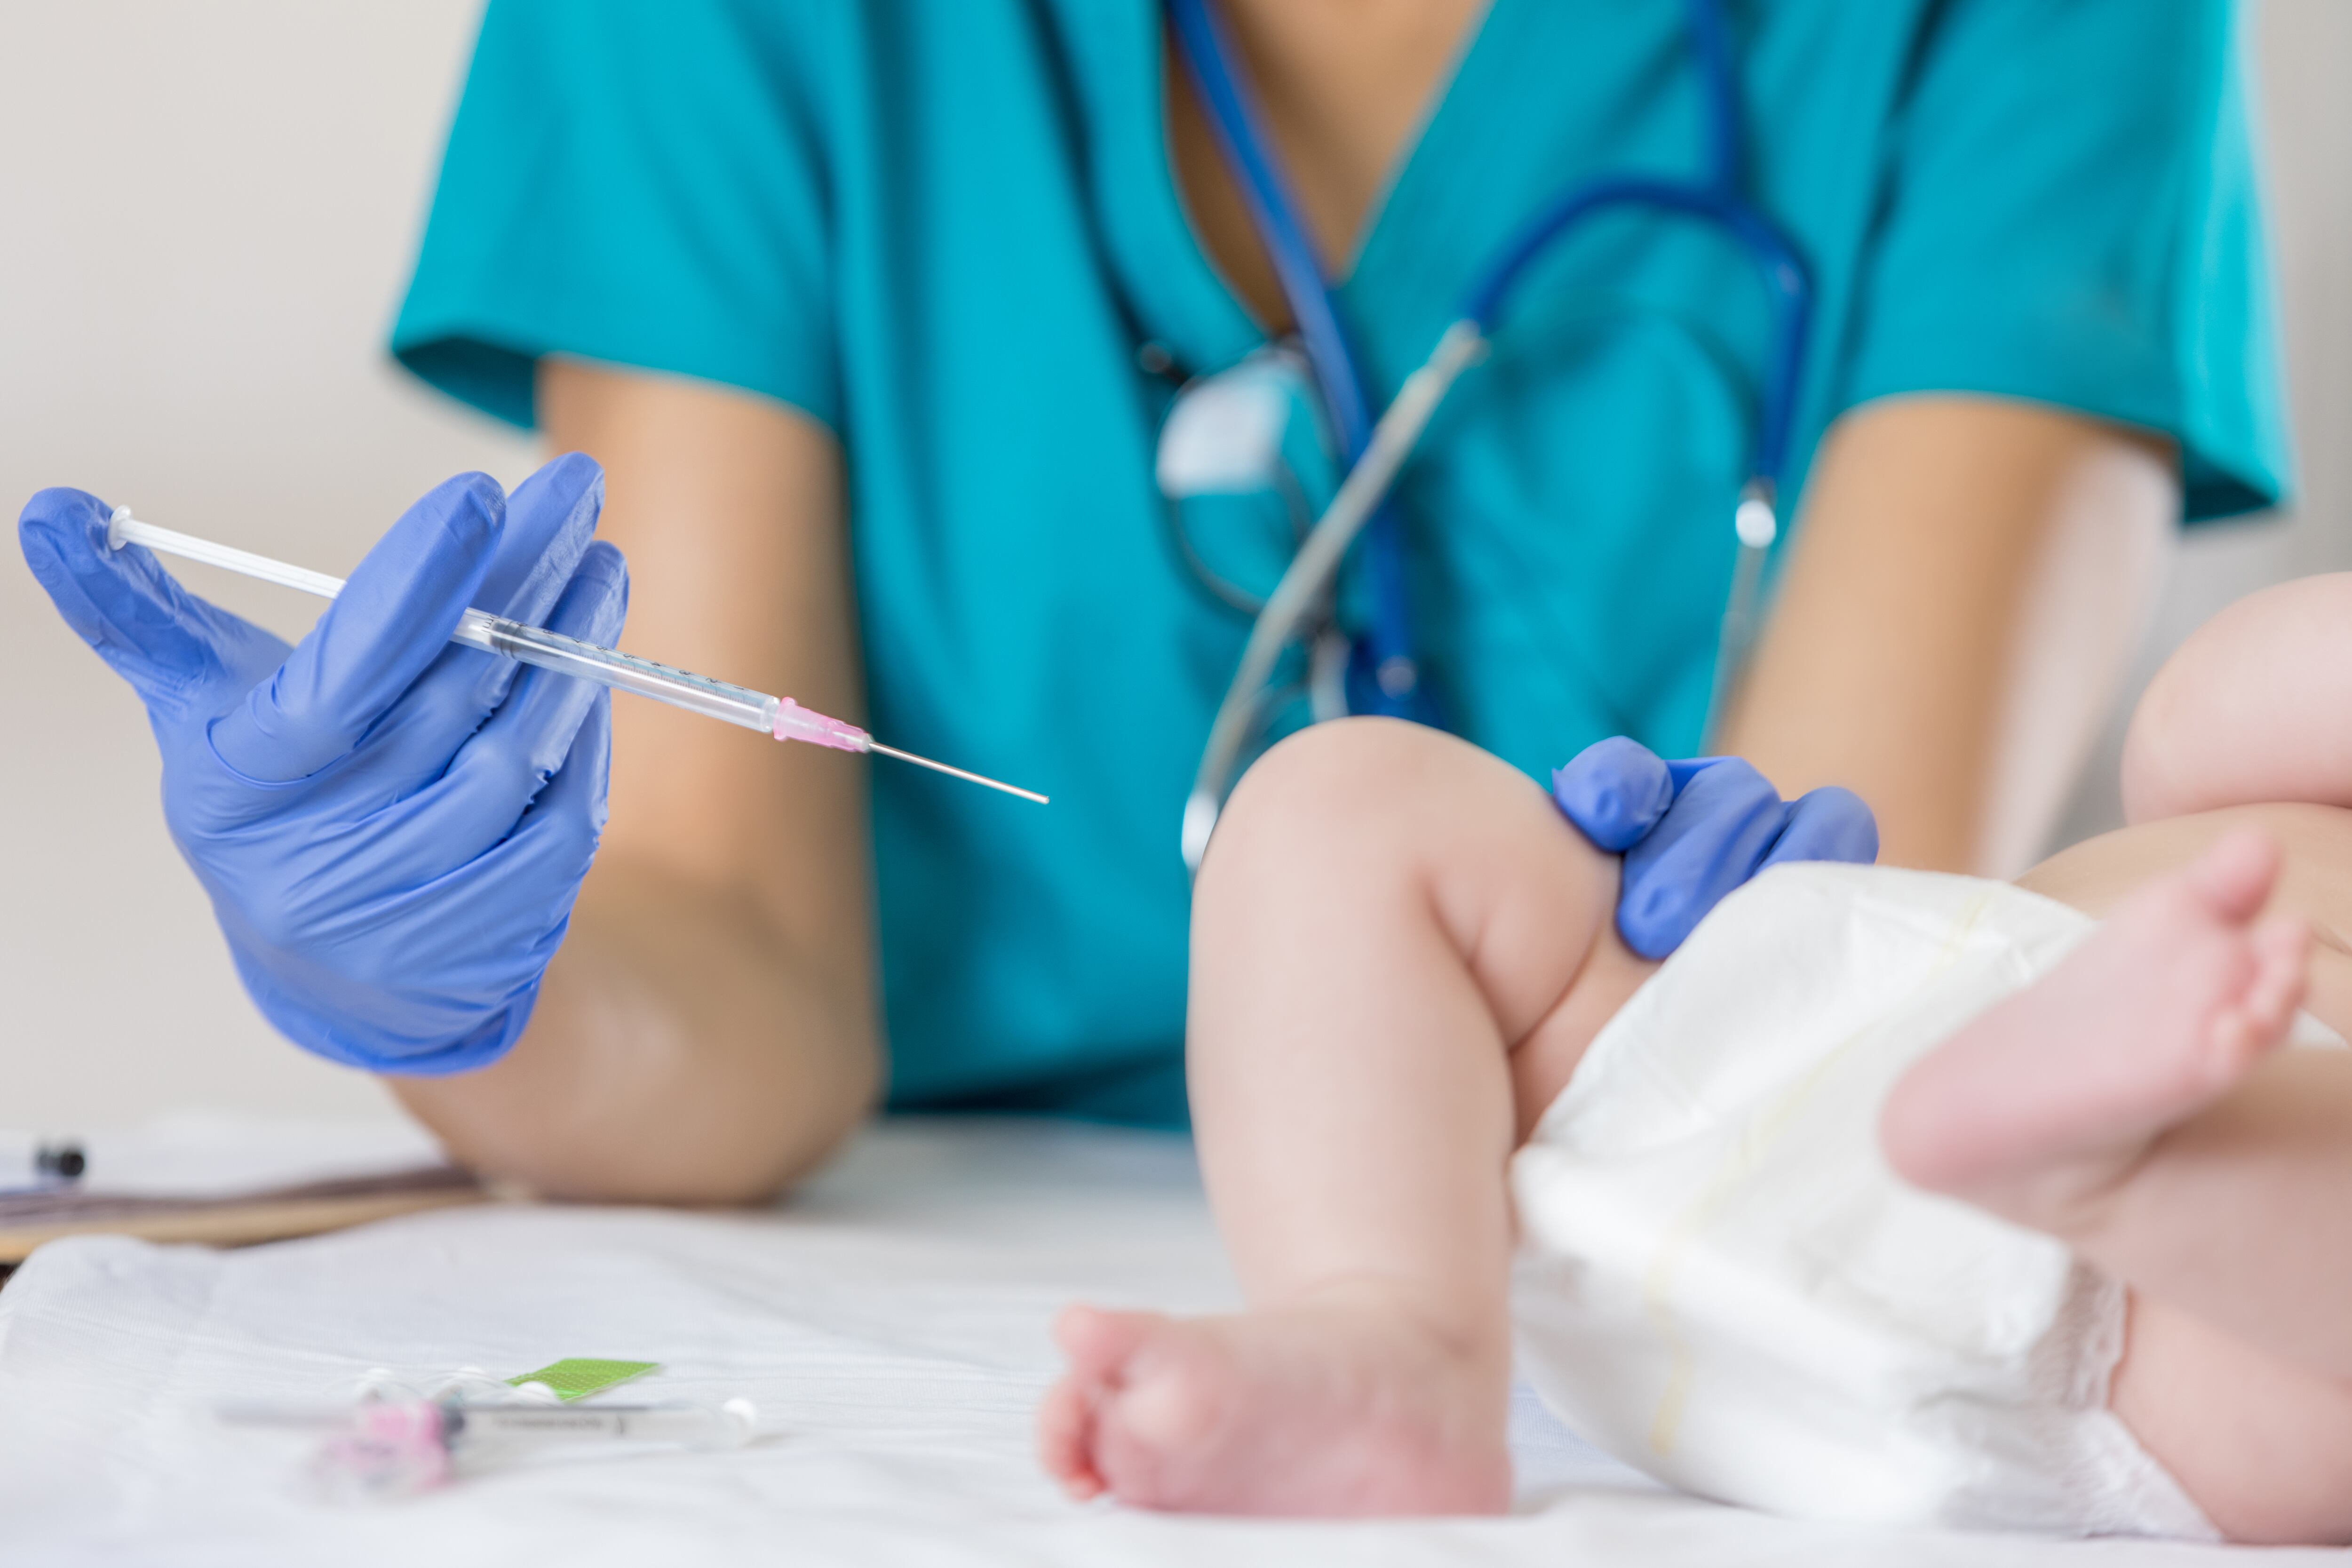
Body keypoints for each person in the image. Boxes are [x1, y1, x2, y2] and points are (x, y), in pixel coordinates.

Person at [24, 0, 2288, 1203]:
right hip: (903, 1270)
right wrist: (442, 977)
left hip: (1609, 1264)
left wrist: (1805, 1002)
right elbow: (737, 1003)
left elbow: (1809, 1041)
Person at [1037, 573, 2352, 1544]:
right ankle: (1392, 1336)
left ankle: (2101, 1159)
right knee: (1338, 808)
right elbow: (2198, 717)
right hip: (1793, 1067)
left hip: (2220, 1297)